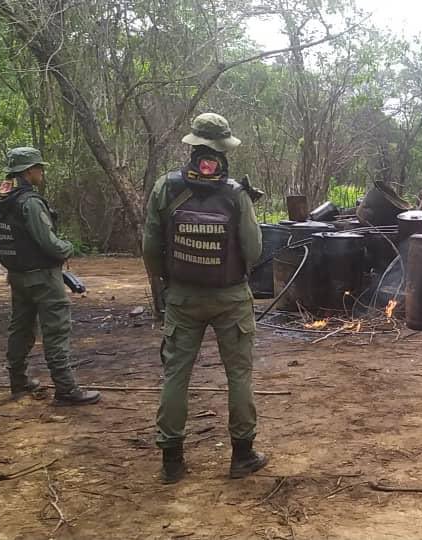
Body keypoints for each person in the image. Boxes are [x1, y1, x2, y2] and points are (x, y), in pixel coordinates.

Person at [142, 112, 267, 484]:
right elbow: (254, 250)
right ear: (224, 149)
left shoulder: (165, 188)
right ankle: (242, 456)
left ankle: (172, 462)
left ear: (193, 145)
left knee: (176, 374)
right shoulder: (235, 194)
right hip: (231, 298)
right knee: (239, 374)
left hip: (182, 297)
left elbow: (150, 247)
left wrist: (166, 282)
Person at [0, 147, 101, 406]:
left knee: (21, 329)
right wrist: (68, 247)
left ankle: (18, 380)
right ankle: (66, 390)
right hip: (43, 278)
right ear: (28, 171)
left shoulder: (3, 198)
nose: (42, 171)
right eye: (39, 167)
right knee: (56, 331)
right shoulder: (30, 202)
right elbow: (49, 244)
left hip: (17, 276)